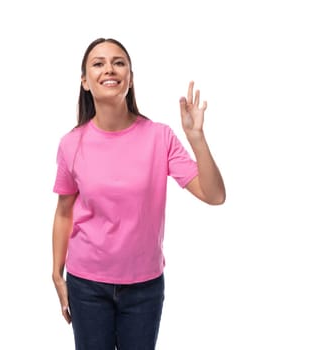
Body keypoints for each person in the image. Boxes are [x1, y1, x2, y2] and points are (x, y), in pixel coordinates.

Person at [51, 37, 226, 350]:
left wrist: (196, 138)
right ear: (85, 81)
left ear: (130, 78)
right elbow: (64, 210)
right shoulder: (71, 144)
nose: (110, 69)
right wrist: (56, 274)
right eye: (98, 63)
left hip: (144, 287)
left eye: (119, 62)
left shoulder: (159, 137)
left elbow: (214, 196)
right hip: (87, 284)